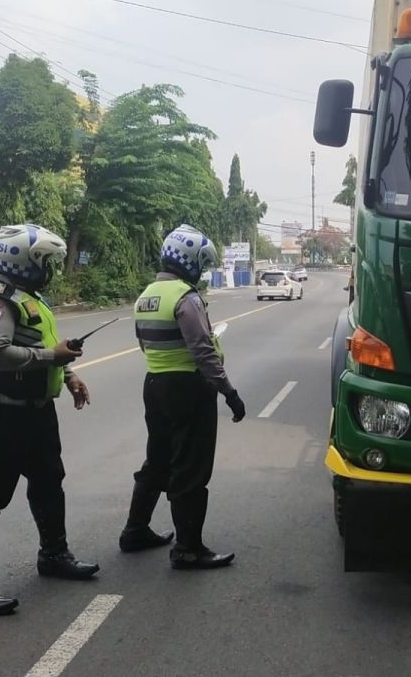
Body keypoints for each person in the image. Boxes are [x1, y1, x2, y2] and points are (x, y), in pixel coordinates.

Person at [0, 224, 99, 616]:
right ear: (23, 262)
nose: (49, 268)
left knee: (49, 482)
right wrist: (54, 359)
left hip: (37, 412)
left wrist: (70, 377)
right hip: (5, 415)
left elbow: (42, 345)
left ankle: (53, 554)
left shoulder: (31, 299)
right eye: (45, 261)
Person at [119, 223, 246, 569]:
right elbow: (203, 351)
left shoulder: (146, 295)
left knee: (158, 459)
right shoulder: (186, 298)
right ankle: (188, 548)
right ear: (189, 262)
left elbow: (144, 343)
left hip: (155, 384)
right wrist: (229, 392)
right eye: (201, 265)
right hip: (188, 388)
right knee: (190, 466)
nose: (202, 272)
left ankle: (135, 529)